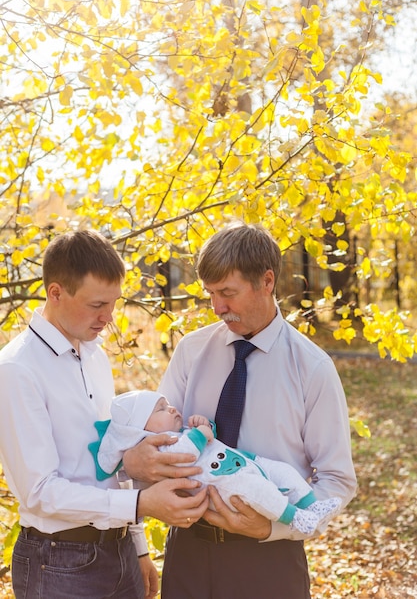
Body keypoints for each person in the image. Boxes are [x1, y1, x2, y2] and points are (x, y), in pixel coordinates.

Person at [122, 222, 358, 599]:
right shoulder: (191, 351)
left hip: (270, 561)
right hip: (187, 554)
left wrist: (271, 529)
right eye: (210, 294)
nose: (217, 307)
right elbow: (151, 444)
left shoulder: (312, 368)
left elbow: (337, 481)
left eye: (228, 293)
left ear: (267, 281)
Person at [0, 230, 209, 599]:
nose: (108, 317)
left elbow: (111, 460)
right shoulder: (17, 369)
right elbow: (39, 492)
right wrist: (142, 504)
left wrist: (138, 546)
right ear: (56, 293)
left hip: (119, 551)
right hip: (58, 562)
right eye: (97, 304)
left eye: (113, 303)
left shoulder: (95, 356)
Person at [89, 390, 342, 537]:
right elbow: (186, 452)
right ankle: (296, 517)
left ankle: (312, 505)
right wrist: (200, 433)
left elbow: (207, 441)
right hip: (228, 485)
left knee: (284, 471)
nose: (174, 409)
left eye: (168, 404)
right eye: (162, 409)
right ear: (141, 427)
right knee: (257, 490)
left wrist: (204, 425)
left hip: (244, 462)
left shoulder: (181, 430)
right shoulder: (160, 445)